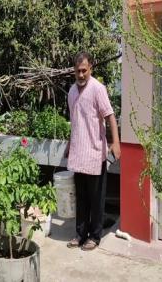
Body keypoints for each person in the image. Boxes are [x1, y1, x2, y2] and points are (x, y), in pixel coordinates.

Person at [65, 52, 121, 251]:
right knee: (81, 197)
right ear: (73, 71)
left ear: (91, 69)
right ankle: (80, 234)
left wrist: (116, 142)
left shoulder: (98, 89)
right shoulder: (71, 92)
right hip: (78, 154)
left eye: (84, 71)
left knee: (96, 199)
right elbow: (75, 122)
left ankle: (95, 237)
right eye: (77, 71)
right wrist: (69, 145)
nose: (81, 75)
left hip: (96, 154)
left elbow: (110, 116)